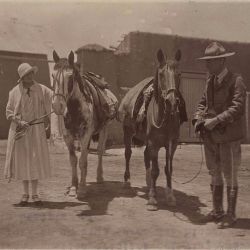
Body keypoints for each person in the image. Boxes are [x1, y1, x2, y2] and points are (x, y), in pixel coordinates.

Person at [193, 41, 246, 228]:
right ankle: (217, 211)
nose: (207, 65)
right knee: (214, 172)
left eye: (211, 61)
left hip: (229, 137)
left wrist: (215, 121)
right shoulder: (209, 81)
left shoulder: (236, 80)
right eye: (207, 61)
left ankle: (230, 215)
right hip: (211, 137)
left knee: (229, 174)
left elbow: (237, 108)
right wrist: (198, 118)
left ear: (222, 61)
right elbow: (202, 103)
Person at [4, 62, 53, 206]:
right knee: (23, 161)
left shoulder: (41, 89)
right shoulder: (14, 92)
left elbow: (55, 98)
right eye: (28, 74)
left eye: (32, 73)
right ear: (22, 77)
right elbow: (8, 112)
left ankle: (35, 194)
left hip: (37, 131)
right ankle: (25, 194)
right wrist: (19, 122)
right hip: (21, 131)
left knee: (35, 161)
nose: (31, 76)